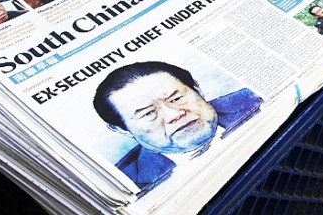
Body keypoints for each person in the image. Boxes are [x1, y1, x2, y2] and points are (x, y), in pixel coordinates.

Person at [93, 61, 263, 190]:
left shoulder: (256, 97)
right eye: (148, 113)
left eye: (176, 99)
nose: (174, 114)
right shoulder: (125, 185)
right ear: (122, 130)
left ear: (197, 89)